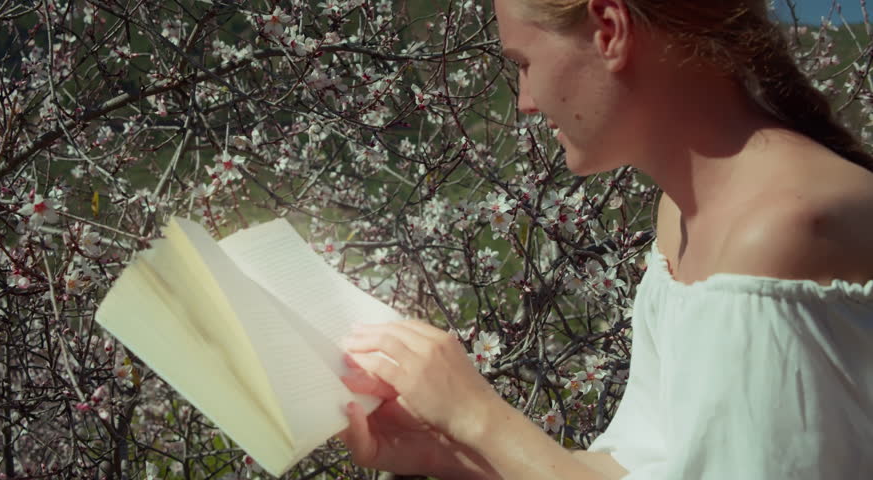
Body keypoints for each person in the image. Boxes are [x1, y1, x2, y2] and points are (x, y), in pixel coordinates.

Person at [336, 0, 873, 478]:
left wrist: (478, 418)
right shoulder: (684, 218)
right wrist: (446, 452)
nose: (524, 100)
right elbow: (642, 464)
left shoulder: (773, 236)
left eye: (524, 63)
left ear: (610, 30)